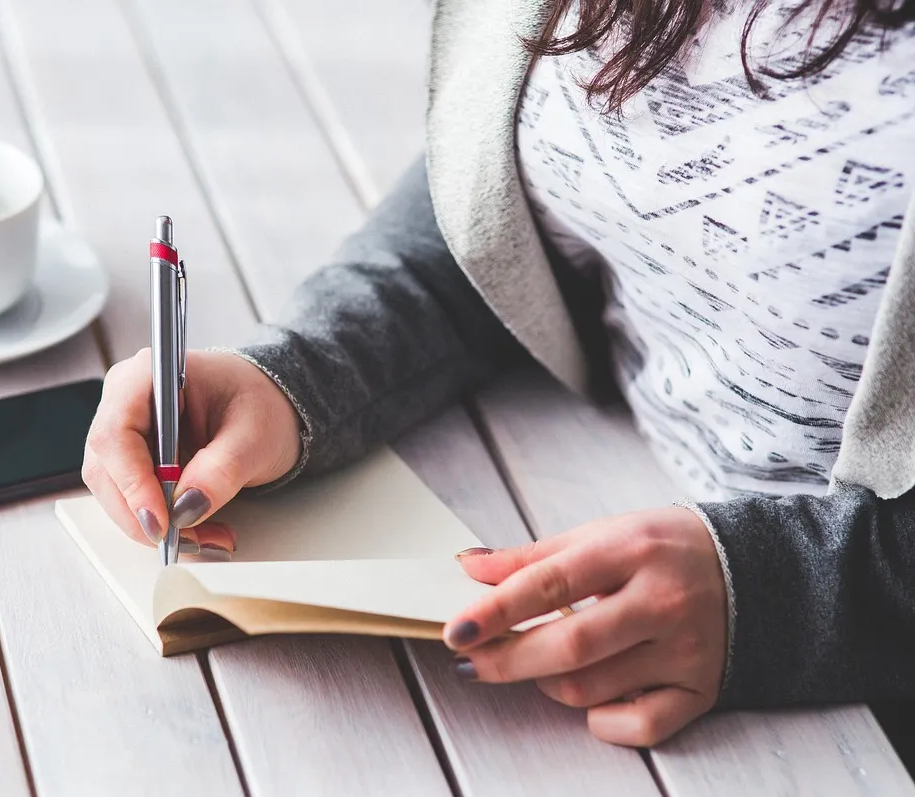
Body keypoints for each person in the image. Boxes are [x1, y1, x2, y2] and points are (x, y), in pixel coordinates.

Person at [82, 0, 915, 754]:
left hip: (847, 742)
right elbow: (517, 200)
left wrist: (783, 596)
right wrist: (299, 372)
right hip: (578, 486)